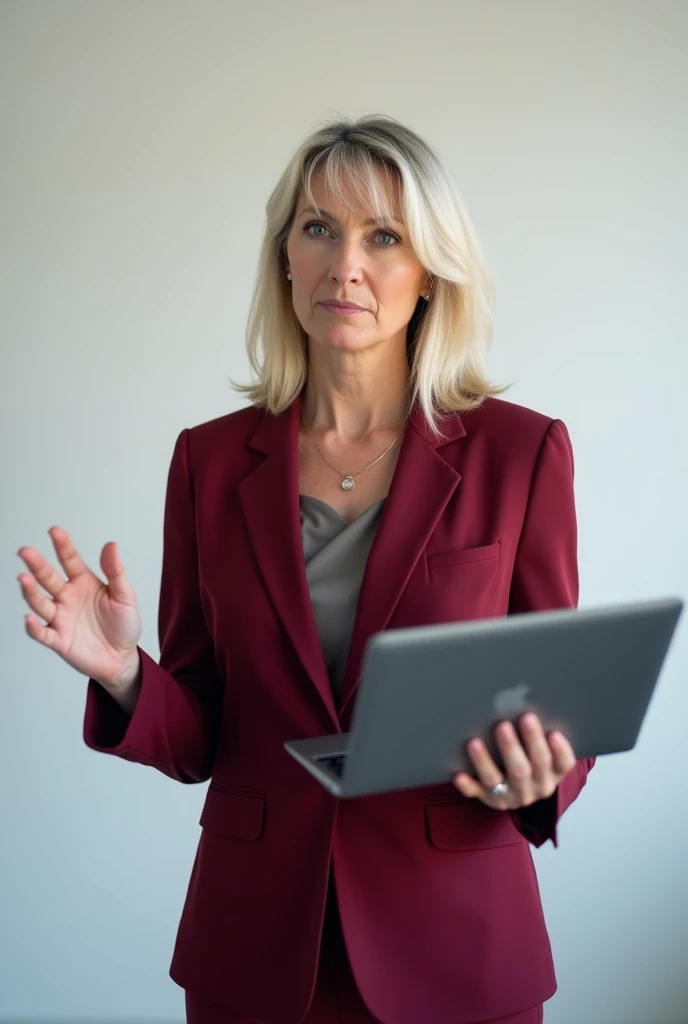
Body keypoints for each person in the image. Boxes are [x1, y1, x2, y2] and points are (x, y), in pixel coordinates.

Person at [16, 114, 595, 1024]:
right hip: (256, 945)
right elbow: (204, 732)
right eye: (318, 227)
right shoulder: (208, 462)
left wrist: (542, 777)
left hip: (458, 939)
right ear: (284, 255)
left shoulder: (520, 454)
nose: (346, 264)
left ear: (431, 271)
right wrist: (125, 674)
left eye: (384, 237)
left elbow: (559, 707)